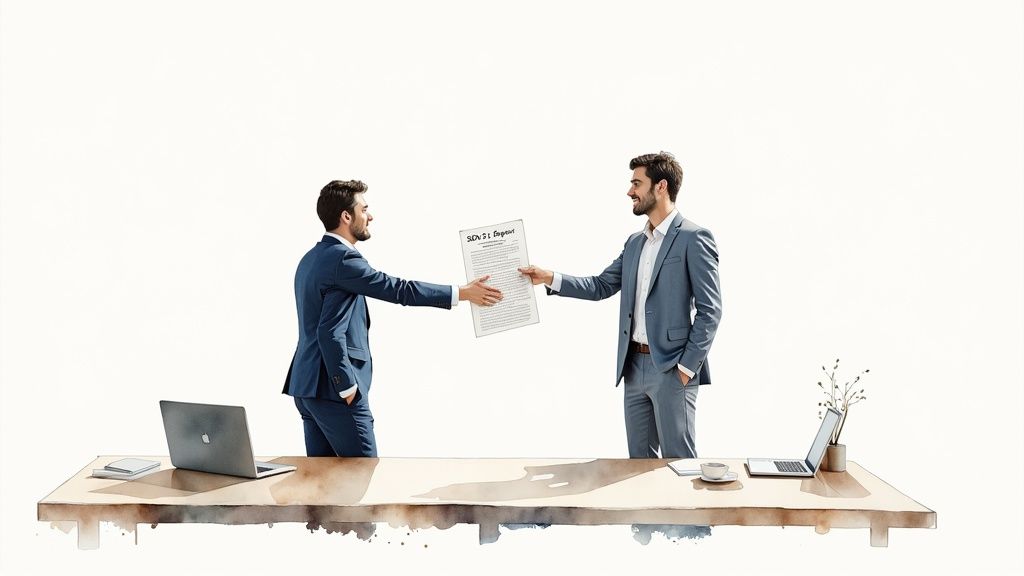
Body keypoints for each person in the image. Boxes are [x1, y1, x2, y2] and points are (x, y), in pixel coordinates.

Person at [520, 152, 722, 460]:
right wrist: (549, 277)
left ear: (661, 187)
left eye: (637, 183)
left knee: (679, 464)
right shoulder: (634, 243)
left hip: (671, 368)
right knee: (638, 467)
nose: (630, 192)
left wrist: (685, 368)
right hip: (633, 367)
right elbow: (601, 286)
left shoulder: (694, 238)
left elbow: (711, 310)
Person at [284, 179, 502, 457]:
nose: (370, 216)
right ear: (346, 216)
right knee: (362, 480)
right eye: (364, 209)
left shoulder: (311, 258)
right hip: (333, 389)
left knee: (322, 486)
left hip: (306, 387)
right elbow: (398, 290)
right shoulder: (343, 261)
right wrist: (461, 293)